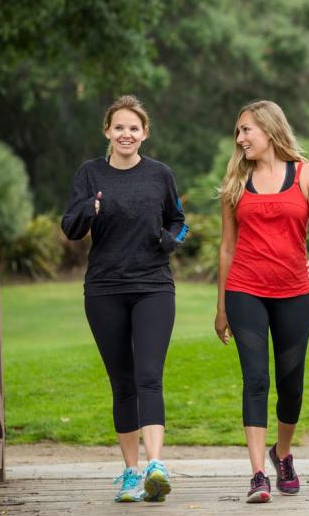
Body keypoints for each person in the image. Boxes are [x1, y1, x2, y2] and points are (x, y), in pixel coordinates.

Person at [61, 95, 188, 503]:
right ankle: (131, 474)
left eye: (134, 127)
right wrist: (89, 209)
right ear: (107, 132)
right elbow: (70, 227)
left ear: (145, 133)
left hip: (153, 286)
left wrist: (170, 240)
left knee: (149, 375)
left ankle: (156, 466)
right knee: (123, 382)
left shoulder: (160, 175)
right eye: (119, 127)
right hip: (104, 289)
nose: (126, 134)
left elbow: (179, 221)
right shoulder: (89, 174)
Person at [214, 100, 309, 503]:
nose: (240, 138)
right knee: (256, 379)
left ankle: (282, 454)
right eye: (238, 132)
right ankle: (258, 475)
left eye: (246, 130)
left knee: (291, 385)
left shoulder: (307, 174)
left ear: (269, 130)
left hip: (294, 292)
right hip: (245, 289)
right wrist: (221, 307)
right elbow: (226, 249)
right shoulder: (234, 181)